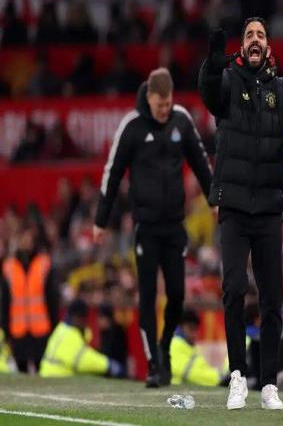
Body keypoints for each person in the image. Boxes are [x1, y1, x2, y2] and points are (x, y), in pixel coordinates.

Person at [198, 17, 283, 410]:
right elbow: (209, 93)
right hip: (233, 206)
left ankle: (270, 384)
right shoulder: (228, 82)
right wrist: (211, 65)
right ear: (242, 47)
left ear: (268, 46)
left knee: (273, 297)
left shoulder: (282, 90)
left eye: (260, 35)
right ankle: (238, 377)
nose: (255, 40)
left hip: (268, 209)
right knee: (234, 289)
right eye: (249, 36)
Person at [94, 67, 212, 388]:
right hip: (145, 226)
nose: (164, 110)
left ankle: (165, 346)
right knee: (147, 295)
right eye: (160, 105)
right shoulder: (132, 126)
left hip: (174, 225)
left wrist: (214, 199)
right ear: (149, 98)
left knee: (177, 294)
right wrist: (101, 220)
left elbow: (200, 162)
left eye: (168, 103)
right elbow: (112, 172)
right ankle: (152, 364)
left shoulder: (181, 120)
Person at [0, 223, 59, 373]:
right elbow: (4, 302)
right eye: (23, 238)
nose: (26, 242)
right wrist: (5, 330)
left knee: (41, 367)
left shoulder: (44, 263)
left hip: (41, 328)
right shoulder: (9, 266)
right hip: (18, 329)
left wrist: (54, 325)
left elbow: (52, 298)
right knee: (21, 370)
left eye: (29, 238)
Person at [39, 299, 123, 378]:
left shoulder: (61, 328)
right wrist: (108, 365)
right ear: (79, 318)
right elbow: (83, 360)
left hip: (46, 374)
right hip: (58, 376)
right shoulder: (72, 334)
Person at [170, 309, 221, 386]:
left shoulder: (191, 347)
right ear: (180, 328)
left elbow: (202, 370)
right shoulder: (175, 343)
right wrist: (219, 379)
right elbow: (189, 372)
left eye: (196, 330)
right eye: (191, 329)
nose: (194, 334)